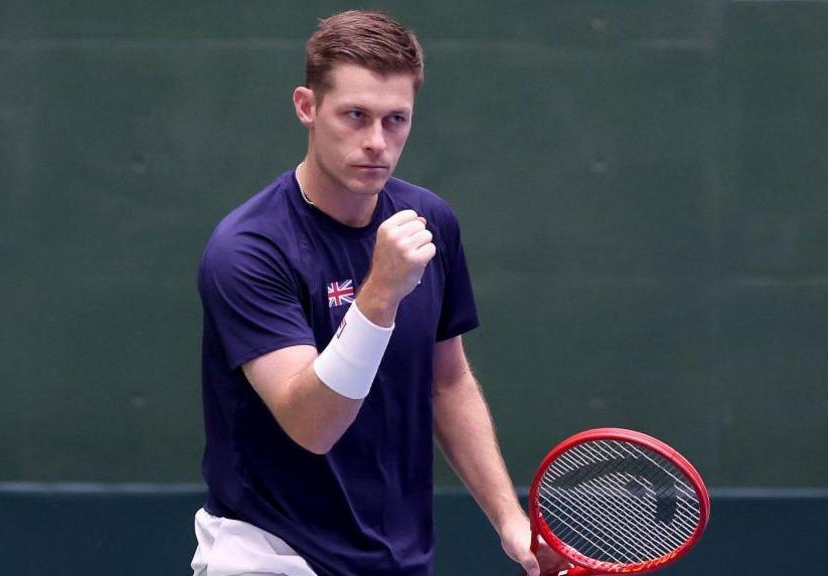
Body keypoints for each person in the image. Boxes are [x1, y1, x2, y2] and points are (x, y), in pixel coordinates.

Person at [193, 10, 567, 576]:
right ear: (306, 107)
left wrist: (510, 519)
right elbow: (310, 426)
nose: (376, 142)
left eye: (396, 120)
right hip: (271, 555)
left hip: (396, 557)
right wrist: (380, 295)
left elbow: (448, 382)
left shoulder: (430, 221)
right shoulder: (247, 250)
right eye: (355, 116)